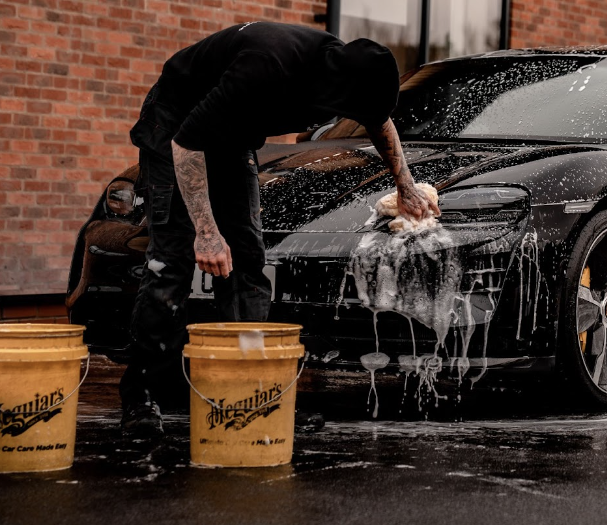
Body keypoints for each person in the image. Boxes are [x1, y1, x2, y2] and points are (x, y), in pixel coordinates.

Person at [120, 22, 439, 437]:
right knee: (173, 260)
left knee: (248, 260)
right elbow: (187, 144)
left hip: (230, 134)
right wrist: (207, 231)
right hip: (176, 127)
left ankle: (250, 388)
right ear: (333, 88)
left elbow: (379, 123)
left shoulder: (353, 69)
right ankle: (143, 391)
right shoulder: (267, 65)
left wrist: (406, 186)